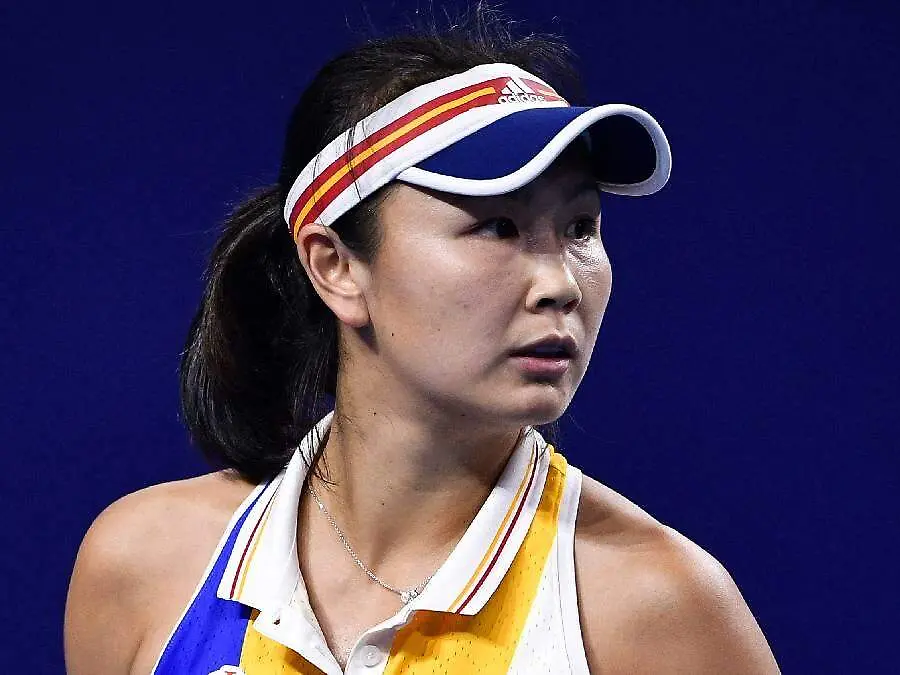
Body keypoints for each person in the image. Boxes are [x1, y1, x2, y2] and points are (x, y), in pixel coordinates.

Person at [64, 7, 780, 674]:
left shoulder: (659, 611)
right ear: (336, 266)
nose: (560, 283)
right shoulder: (143, 565)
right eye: (497, 226)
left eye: (580, 228)